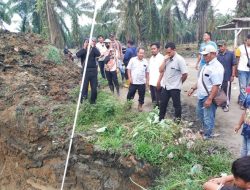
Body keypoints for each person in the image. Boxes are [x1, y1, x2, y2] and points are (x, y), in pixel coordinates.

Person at [188, 45, 224, 139]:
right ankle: (205, 131)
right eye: (203, 55)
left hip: (208, 96)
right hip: (201, 95)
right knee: (200, 115)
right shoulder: (205, 65)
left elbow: (216, 85)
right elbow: (201, 79)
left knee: (208, 117)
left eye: (206, 55)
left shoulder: (217, 67)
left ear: (213, 54)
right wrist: (193, 88)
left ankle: (207, 136)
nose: (204, 57)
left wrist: (209, 99)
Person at [157, 42, 188, 121]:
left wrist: (179, 83)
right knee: (162, 104)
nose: (168, 54)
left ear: (174, 50)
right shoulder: (166, 58)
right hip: (166, 86)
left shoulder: (180, 60)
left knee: (176, 106)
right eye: (166, 52)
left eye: (169, 52)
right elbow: (160, 70)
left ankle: (177, 122)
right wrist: (164, 60)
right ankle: (160, 120)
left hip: (175, 87)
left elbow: (185, 74)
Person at [76, 38, 100, 104]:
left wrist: (93, 46)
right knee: (84, 88)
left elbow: (98, 54)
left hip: (93, 71)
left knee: (94, 88)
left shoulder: (93, 50)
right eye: (86, 42)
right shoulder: (83, 51)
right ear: (84, 43)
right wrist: (84, 48)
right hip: (85, 72)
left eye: (89, 42)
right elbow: (77, 55)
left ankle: (93, 101)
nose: (88, 43)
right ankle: (84, 101)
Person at [217, 40, 237, 112]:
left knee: (227, 90)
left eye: (221, 46)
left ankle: (226, 105)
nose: (220, 48)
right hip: (219, 77)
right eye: (219, 46)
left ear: (225, 46)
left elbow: (234, 65)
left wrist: (233, 75)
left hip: (227, 76)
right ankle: (221, 103)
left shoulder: (231, 54)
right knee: (220, 90)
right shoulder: (218, 55)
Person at [127, 48, 148, 112]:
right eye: (140, 53)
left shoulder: (145, 61)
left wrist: (147, 81)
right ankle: (129, 104)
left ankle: (140, 105)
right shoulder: (132, 60)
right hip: (133, 81)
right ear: (137, 53)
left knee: (142, 95)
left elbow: (147, 72)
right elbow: (128, 69)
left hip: (142, 82)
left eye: (143, 53)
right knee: (130, 94)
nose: (141, 54)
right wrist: (130, 78)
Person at [235, 34, 250, 109]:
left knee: (248, 87)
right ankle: (243, 103)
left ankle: (242, 99)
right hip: (242, 70)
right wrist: (236, 71)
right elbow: (237, 60)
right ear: (246, 39)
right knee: (243, 87)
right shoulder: (240, 48)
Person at [148, 42, 164, 108]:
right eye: (151, 49)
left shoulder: (161, 58)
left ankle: (159, 115)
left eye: (154, 49)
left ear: (158, 49)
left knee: (159, 100)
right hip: (152, 83)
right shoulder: (151, 58)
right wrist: (148, 81)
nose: (152, 50)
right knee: (154, 100)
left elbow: (162, 71)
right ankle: (155, 113)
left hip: (158, 83)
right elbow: (150, 71)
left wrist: (159, 82)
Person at [235, 87, 250, 157]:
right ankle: (243, 165)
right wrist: (239, 125)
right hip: (246, 129)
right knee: (244, 149)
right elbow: (245, 112)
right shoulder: (248, 98)